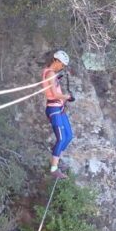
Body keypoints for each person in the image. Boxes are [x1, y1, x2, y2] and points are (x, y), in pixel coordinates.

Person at [42, 50, 74, 179]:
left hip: (59, 108)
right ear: (56, 60)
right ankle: (54, 169)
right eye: (62, 64)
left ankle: (56, 159)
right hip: (53, 109)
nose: (62, 67)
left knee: (69, 136)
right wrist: (67, 97)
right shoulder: (50, 74)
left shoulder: (52, 74)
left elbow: (52, 86)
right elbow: (54, 94)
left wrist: (56, 80)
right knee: (61, 138)